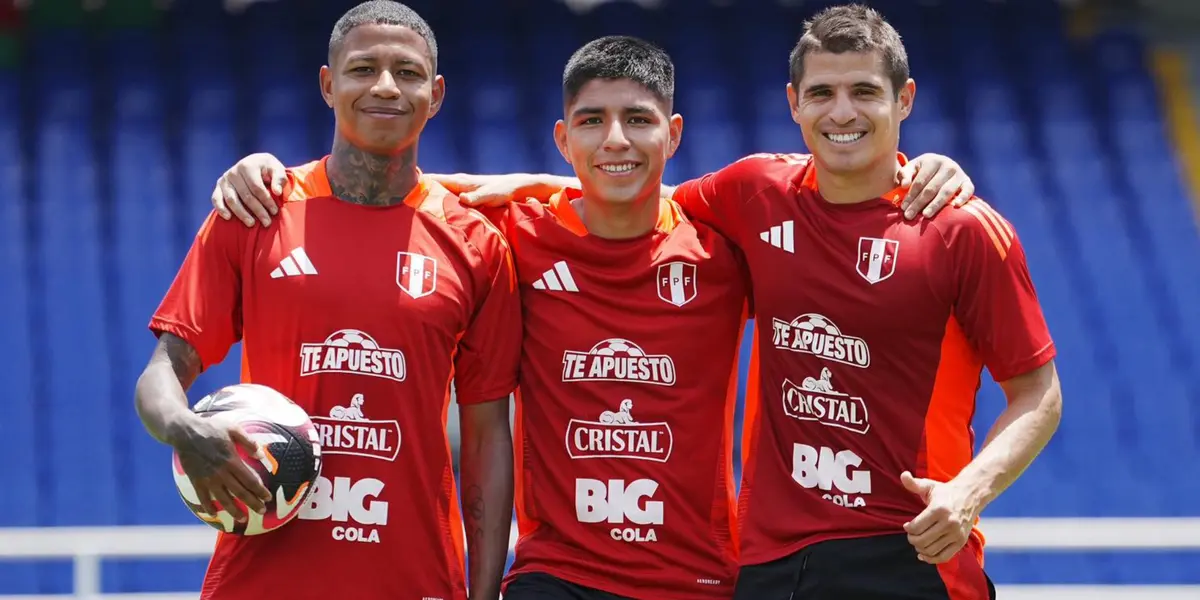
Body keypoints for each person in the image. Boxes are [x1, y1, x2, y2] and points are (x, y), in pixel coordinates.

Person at [405, 5, 1060, 599]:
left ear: (905, 99)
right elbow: (635, 197)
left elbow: (1040, 395)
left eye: (864, 92)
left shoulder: (962, 227)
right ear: (793, 103)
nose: (842, 113)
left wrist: (969, 493)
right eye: (822, 93)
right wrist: (548, 182)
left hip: (909, 548)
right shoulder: (753, 192)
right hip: (769, 565)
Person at [133, 2, 520, 600]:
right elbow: (163, 372)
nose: (386, 87)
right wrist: (184, 429)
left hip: (414, 578)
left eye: (409, 73)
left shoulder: (475, 242)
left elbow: (489, 437)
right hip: (259, 582)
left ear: (436, 93)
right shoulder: (255, 211)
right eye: (364, 68)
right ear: (328, 83)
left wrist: (487, 591)